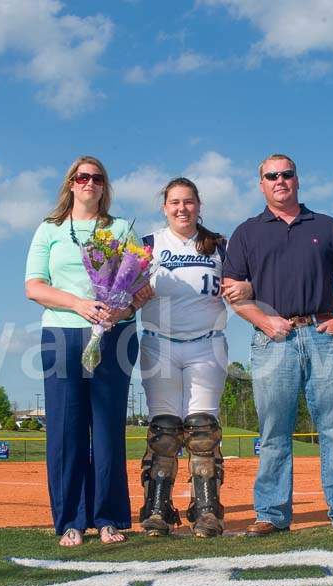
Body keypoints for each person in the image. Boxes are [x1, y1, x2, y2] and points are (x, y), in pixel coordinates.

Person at [222, 153, 333, 536]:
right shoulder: (246, 233)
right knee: (274, 431)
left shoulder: (325, 225)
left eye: (286, 174)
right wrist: (264, 320)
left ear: (297, 180)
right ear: (261, 185)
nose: (280, 180)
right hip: (274, 340)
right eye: (271, 176)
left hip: (322, 335)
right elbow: (233, 294)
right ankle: (271, 513)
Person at [25, 156, 141, 547]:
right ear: (71, 184)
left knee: (107, 429)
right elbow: (34, 286)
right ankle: (70, 519)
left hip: (115, 336)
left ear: (104, 186)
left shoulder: (123, 228)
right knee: (65, 430)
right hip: (62, 334)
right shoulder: (50, 229)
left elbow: (140, 284)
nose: (89, 183)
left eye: (97, 178)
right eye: (82, 177)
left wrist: (119, 309)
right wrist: (79, 304)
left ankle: (108, 517)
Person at [135, 177, 251, 538]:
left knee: (202, 431)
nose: (182, 208)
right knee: (164, 430)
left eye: (188, 202)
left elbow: (243, 284)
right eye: (174, 202)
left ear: (199, 205)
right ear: (164, 207)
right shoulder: (148, 245)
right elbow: (123, 291)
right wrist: (131, 296)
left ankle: (207, 509)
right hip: (159, 344)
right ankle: (157, 508)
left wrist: (248, 287)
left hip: (207, 344)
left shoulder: (220, 245)